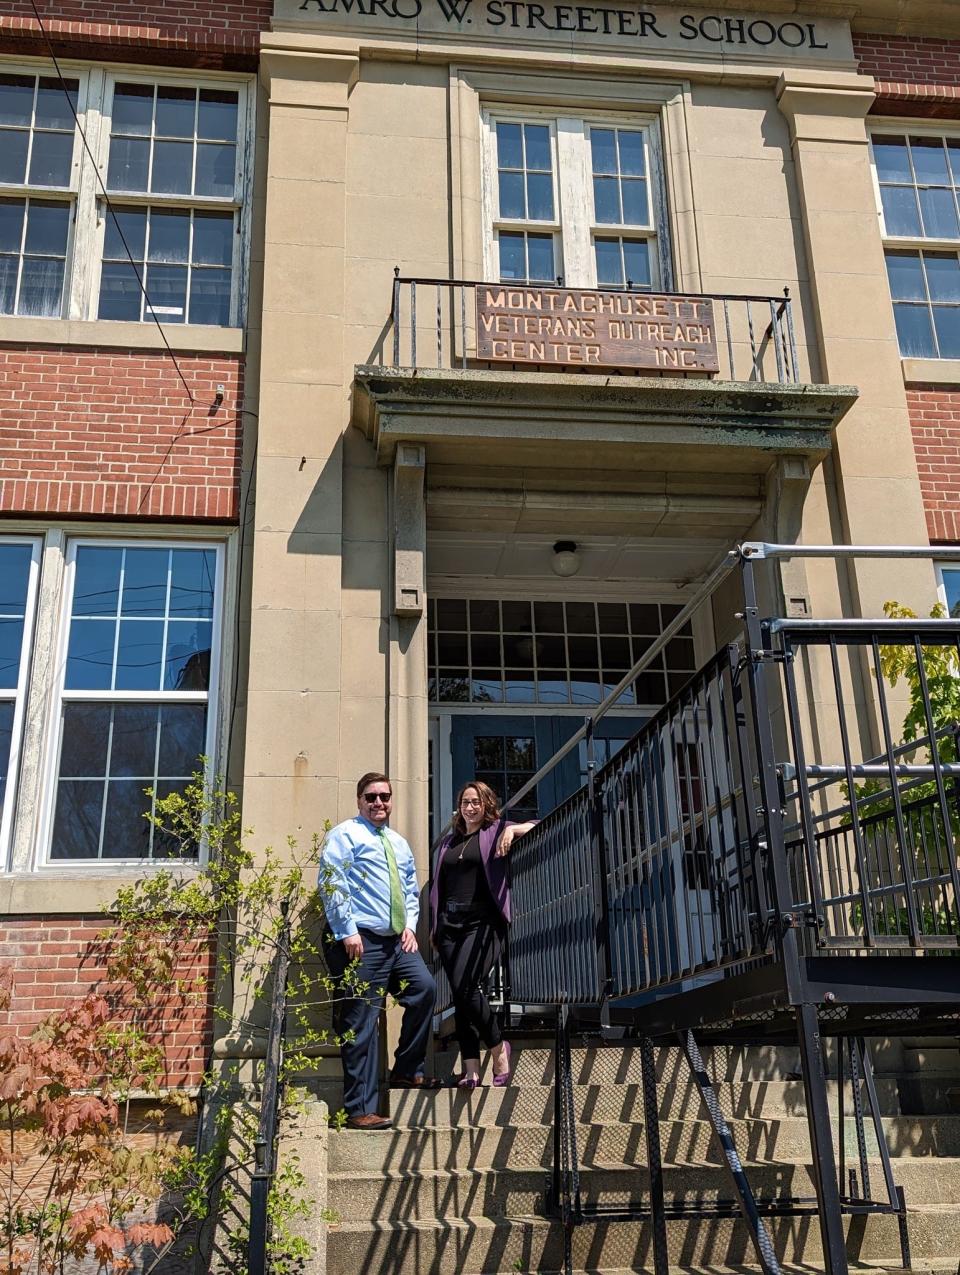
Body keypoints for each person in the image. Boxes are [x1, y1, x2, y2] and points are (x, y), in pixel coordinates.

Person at [321, 771, 440, 1130]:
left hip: (396, 941)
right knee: (361, 1023)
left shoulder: (398, 842)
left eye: (384, 797)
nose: (378, 803)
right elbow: (332, 882)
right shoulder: (345, 835)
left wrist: (409, 925)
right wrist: (347, 931)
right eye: (371, 797)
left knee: (424, 989)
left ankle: (406, 1070)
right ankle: (359, 1109)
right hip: (360, 940)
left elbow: (408, 886)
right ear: (359, 801)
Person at [430, 781, 536, 1089]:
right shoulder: (450, 842)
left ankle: (498, 1047)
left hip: (484, 923)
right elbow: (441, 886)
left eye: (476, 802)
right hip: (450, 926)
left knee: (466, 987)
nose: (470, 807)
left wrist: (514, 830)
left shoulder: (495, 830)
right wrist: (437, 927)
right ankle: (471, 1069)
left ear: (486, 804)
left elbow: (538, 826)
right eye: (465, 801)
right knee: (461, 995)